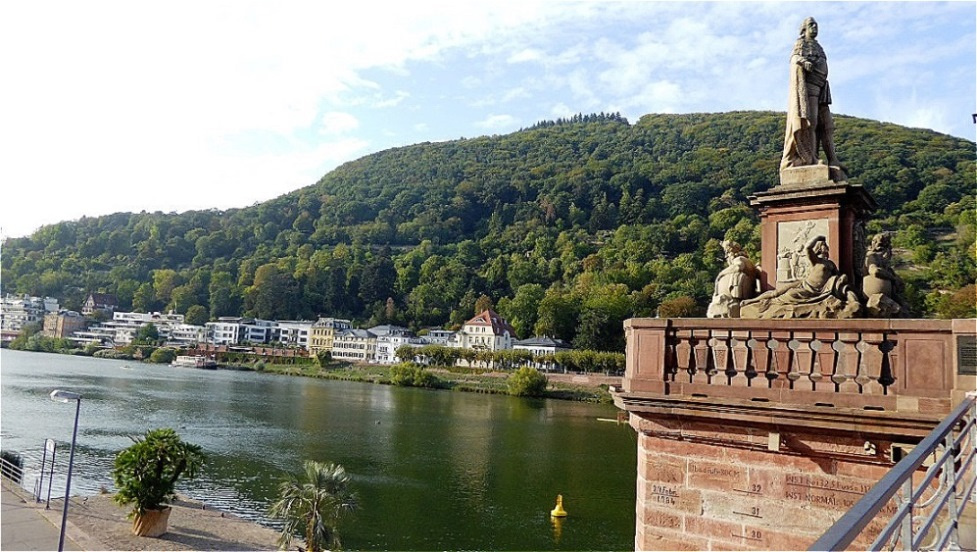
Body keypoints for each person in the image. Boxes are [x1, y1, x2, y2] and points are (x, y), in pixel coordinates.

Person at [741, 235, 860, 318]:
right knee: (777, 293)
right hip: (804, 284)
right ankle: (751, 301)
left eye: (825, 245)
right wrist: (817, 238)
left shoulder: (831, 264)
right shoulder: (816, 260)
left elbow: (836, 278)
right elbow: (808, 248)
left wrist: (841, 280)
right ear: (819, 247)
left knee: (790, 294)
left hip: (819, 291)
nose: (825, 247)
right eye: (823, 245)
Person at [780, 17, 843, 171]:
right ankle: (810, 158)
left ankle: (832, 159)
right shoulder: (800, 44)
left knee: (827, 125)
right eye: (811, 25)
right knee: (810, 122)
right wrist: (802, 61)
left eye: (816, 25)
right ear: (804, 29)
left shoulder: (818, 47)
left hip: (821, 89)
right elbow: (794, 58)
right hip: (808, 89)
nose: (814, 27)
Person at [707, 240, 758, 318]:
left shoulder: (739, 259)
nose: (726, 257)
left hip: (744, 292)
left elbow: (738, 266)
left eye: (727, 255)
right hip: (745, 292)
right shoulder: (743, 260)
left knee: (736, 275)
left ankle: (733, 300)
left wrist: (721, 274)